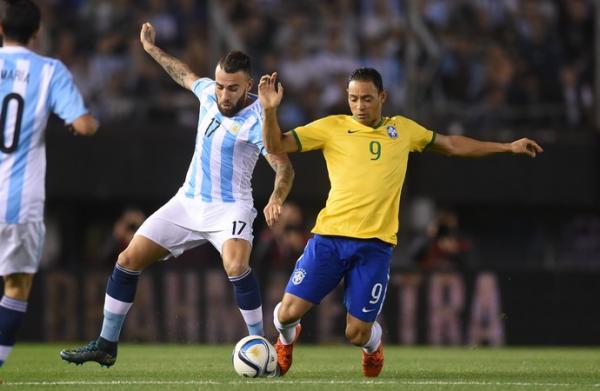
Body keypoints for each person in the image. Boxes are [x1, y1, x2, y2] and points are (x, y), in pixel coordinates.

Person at [257, 67, 543, 377]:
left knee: (356, 334)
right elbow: (276, 146)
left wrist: (506, 146)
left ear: (383, 97)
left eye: (367, 99)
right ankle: (286, 342)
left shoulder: (402, 130)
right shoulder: (332, 127)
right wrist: (271, 111)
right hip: (328, 239)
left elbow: (450, 144)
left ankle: (372, 345)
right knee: (286, 315)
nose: (360, 106)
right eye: (353, 99)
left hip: (375, 247)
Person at [60, 23, 294, 367]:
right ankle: (106, 344)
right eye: (220, 86)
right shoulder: (208, 93)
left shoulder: (259, 120)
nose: (224, 95)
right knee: (127, 260)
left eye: (232, 88)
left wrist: (276, 199)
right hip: (187, 201)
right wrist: (151, 49)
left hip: (230, 208)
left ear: (248, 86)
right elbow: (182, 73)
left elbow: (284, 167)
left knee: (236, 265)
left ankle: (261, 346)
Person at [0, 0, 98, 367]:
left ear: (0, 28)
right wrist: (87, 123)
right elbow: (83, 122)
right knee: (16, 284)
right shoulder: (49, 70)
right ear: (37, 32)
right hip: (18, 200)